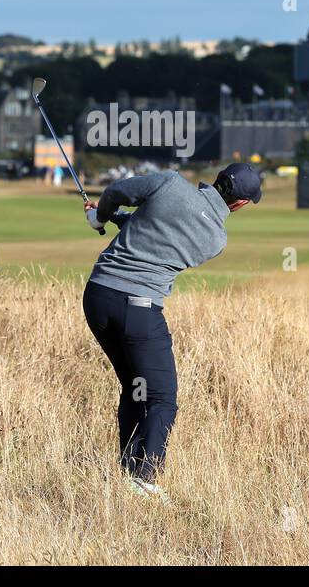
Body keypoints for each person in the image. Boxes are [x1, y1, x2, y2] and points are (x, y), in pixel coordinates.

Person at [81, 162, 262, 501]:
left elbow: (117, 194)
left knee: (136, 385)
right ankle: (144, 479)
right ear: (240, 204)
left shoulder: (169, 183)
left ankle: (128, 473)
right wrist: (110, 217)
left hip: (98, 297)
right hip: (138, 308)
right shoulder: (215, 239)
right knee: (162, 397)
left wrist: (101, 216)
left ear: (218, 179)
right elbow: (164, 232)